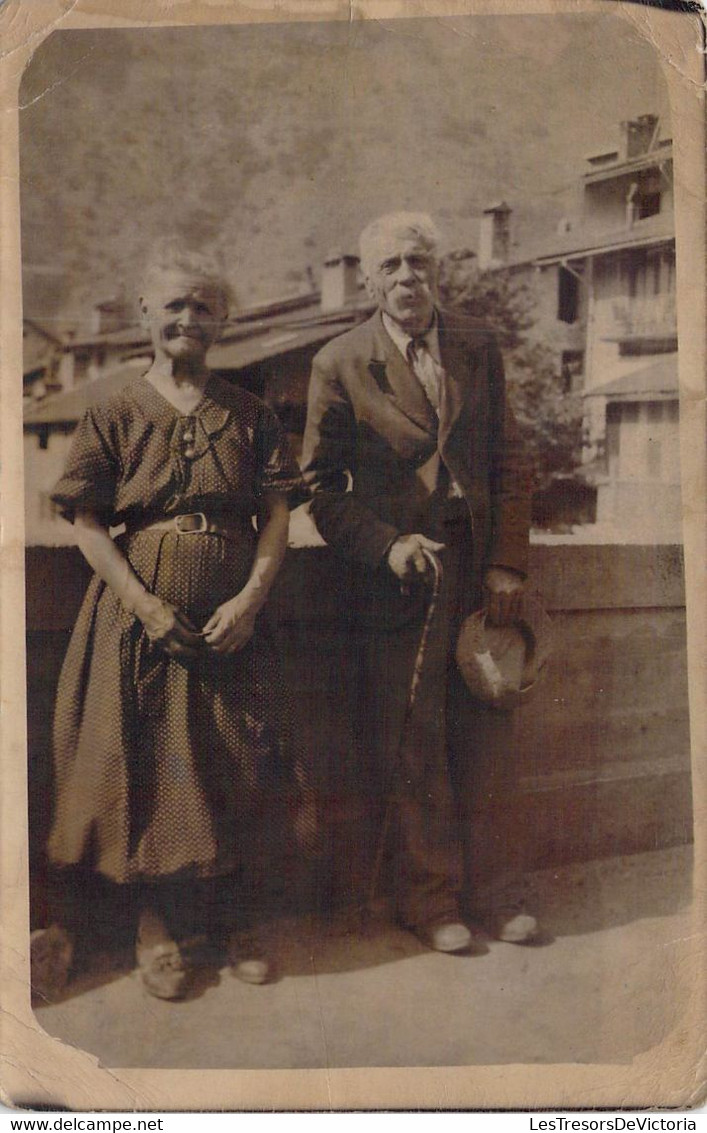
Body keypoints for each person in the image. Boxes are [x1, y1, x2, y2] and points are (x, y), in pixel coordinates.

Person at [31, 243, 310, 1001]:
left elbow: (279, 515)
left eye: (204, 306)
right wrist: (146, 604)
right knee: (149, 766)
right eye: (175, 305)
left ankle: (225, 923)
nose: (189, 318)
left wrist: (248, 601)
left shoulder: (249, 413)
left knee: (235, 761)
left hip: (232, 618)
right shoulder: (115, 408)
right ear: (147, 313)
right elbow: (89, 524)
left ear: (223, 319)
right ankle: (153, 925)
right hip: (141, 621)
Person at [301, 212, 537, 953]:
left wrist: (506, 558)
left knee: (487, 728)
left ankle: (498, 895)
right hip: (396, 577)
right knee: (415, 739)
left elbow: (509, 457)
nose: (407, 277)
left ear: (439, 272)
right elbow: (321, 487)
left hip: (475, 571)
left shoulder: (476, 345)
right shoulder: (339, 362)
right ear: (369, 279)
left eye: (419, 262)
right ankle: (430, 902)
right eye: (391, 265)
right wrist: (385, 544)